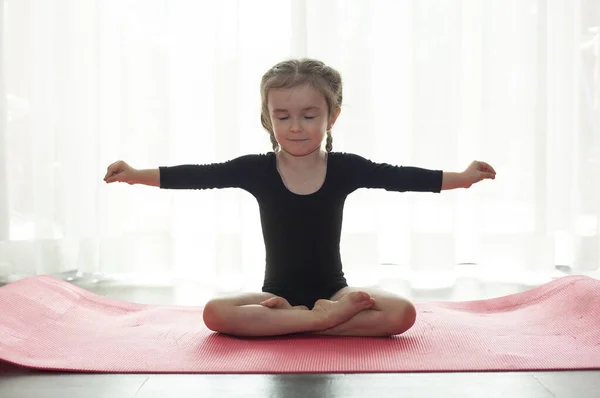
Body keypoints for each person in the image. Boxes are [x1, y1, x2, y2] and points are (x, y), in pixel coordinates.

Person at [104, 58, 496, 338]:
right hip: (275, 297)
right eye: (283, 116)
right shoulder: (257, 169)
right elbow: (201, 175)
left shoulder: (345, 167)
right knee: (214, 313)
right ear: (267, 119)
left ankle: (304, 323)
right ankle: (320, 323)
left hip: (335, 292)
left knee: (402, 314)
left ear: (332, 117)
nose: (295, 128)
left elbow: (399, 177)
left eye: (309, 116)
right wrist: (136, 175)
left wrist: (461, 179)